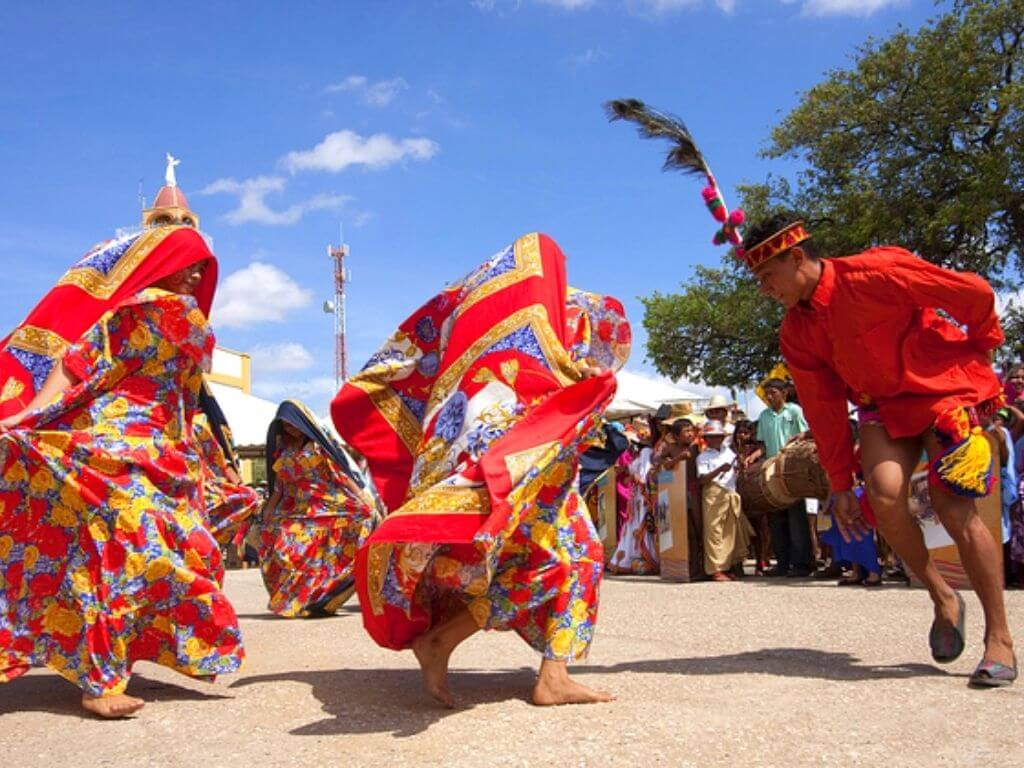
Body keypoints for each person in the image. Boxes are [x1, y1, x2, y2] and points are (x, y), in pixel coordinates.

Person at [331, 233, 631, 707]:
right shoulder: (543, 344)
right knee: (572, 558)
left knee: (550, 563)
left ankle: (460, 646)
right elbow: (588, 375)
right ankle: (538, 672)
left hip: (524, 479)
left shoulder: (485, 345)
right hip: (533, 481)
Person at [744, 212, 1016, 687]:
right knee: (885, 497)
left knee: (955, 511)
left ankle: (1001, 638)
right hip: (880, 408)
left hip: (941, 391)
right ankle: (942, 596)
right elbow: (824, 408)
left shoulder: (877, 271)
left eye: (768, 276)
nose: (765, 290)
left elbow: (973, 294)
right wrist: (840, 481)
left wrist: (985, 346)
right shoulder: (795, 332)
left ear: (796, 257)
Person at [0, 226, 246, 717]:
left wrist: (196, 453)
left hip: (165, 448)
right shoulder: (138, 309)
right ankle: (102, 680)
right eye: (187, 262)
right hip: (115, 442)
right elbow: (76, 365)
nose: (197, 273)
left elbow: (186, 394)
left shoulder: (195, 322)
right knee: (126, 543)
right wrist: (29, 418)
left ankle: (137, 655)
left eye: (203, 267)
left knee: (182, 545)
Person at [258, 399, 381, 618]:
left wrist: (362, 496)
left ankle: (322, 596)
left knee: (359, 520)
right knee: (286, 548)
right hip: (297, 509)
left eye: (293, 423)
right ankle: (301, 599)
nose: (290, 429)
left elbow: (341, 476)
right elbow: (280, 486)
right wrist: (268, 510)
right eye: (285, 426)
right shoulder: (283, 450)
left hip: (328, 505)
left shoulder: (319, 446)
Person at [754, 378, 813, 577]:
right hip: (772, 472)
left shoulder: (794, 411)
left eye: (773, 393)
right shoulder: (763, 416)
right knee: (776, 520)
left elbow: (804, 435)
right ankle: (782, 563)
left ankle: (802, 564)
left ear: (784, 393)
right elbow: (762, 444)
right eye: (767, 394)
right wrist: (753, 456)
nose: (770, 397)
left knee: (797, 519)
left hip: (791, 470)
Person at [192, 383, 261, 548]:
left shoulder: (200, 421)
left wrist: (239, 484)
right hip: (175, 484)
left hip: (201, 487)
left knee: (250, 499)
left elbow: (221, 459)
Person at [696, 420, 752, 581]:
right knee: (713, 532)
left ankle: (727, 566)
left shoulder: (730, 453)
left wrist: (740, 465)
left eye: (718, 436)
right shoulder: (703, 457)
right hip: (713, 494)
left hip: (730, 492)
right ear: (706, 439)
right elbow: (702, 480)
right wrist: (719, 469)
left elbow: (736, 471)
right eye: (712, 437)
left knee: (730, 531)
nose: (716, 440)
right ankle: (715, 569)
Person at [609, 431, 659, 575]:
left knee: (639, 523)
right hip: (638, 495)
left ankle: (639, 557)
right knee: (635, 523)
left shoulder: (646, 452)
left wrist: (632, 475)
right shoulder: (641, 454)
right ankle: (635, 558)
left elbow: (643, 477)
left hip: (642, 495)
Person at [733, 418, 771, 574]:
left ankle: (760, 561)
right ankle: (737, 563)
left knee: (759, 529)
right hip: (735, 494)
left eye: (746, 433)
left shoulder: (758, 450)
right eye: (740, 432)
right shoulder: (730, 449)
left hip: (753, 494)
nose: (743, 436)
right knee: (737, 530)